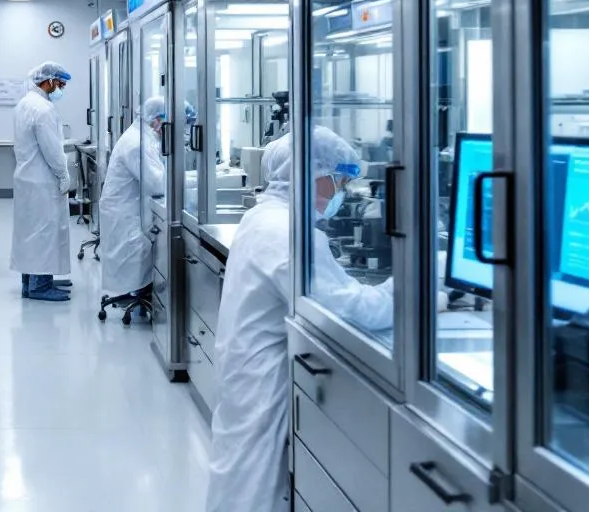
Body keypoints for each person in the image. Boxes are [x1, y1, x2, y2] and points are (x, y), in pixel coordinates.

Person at [205, 126, 393, 512]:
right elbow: (354, 309)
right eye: (338, 181)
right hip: (262, 378)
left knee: (241, 473)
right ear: (314, 175)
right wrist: (413, 294)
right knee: (252, 483)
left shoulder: (264, 216)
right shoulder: (288, 231)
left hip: (246, 364)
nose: (340, 192)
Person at [11, 61, 74, 301]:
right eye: (60, 84)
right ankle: (40, 285)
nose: (61, 89)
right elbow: (52, 150)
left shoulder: (24, 104)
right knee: (44, 233)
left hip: (27, 178)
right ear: (47, 81)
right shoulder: (44, 110)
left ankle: (31, 282)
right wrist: (63, 173)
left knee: (30, 233)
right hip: (42, 179)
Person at [99, 96, 166, 300]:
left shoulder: (140, 137)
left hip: (127, 210)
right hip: (126, 215)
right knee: (137, 253)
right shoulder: (137, 144)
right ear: (157, 121)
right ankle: (139, 293)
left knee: (136, 255)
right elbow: (157, 183)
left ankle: (138, 291)